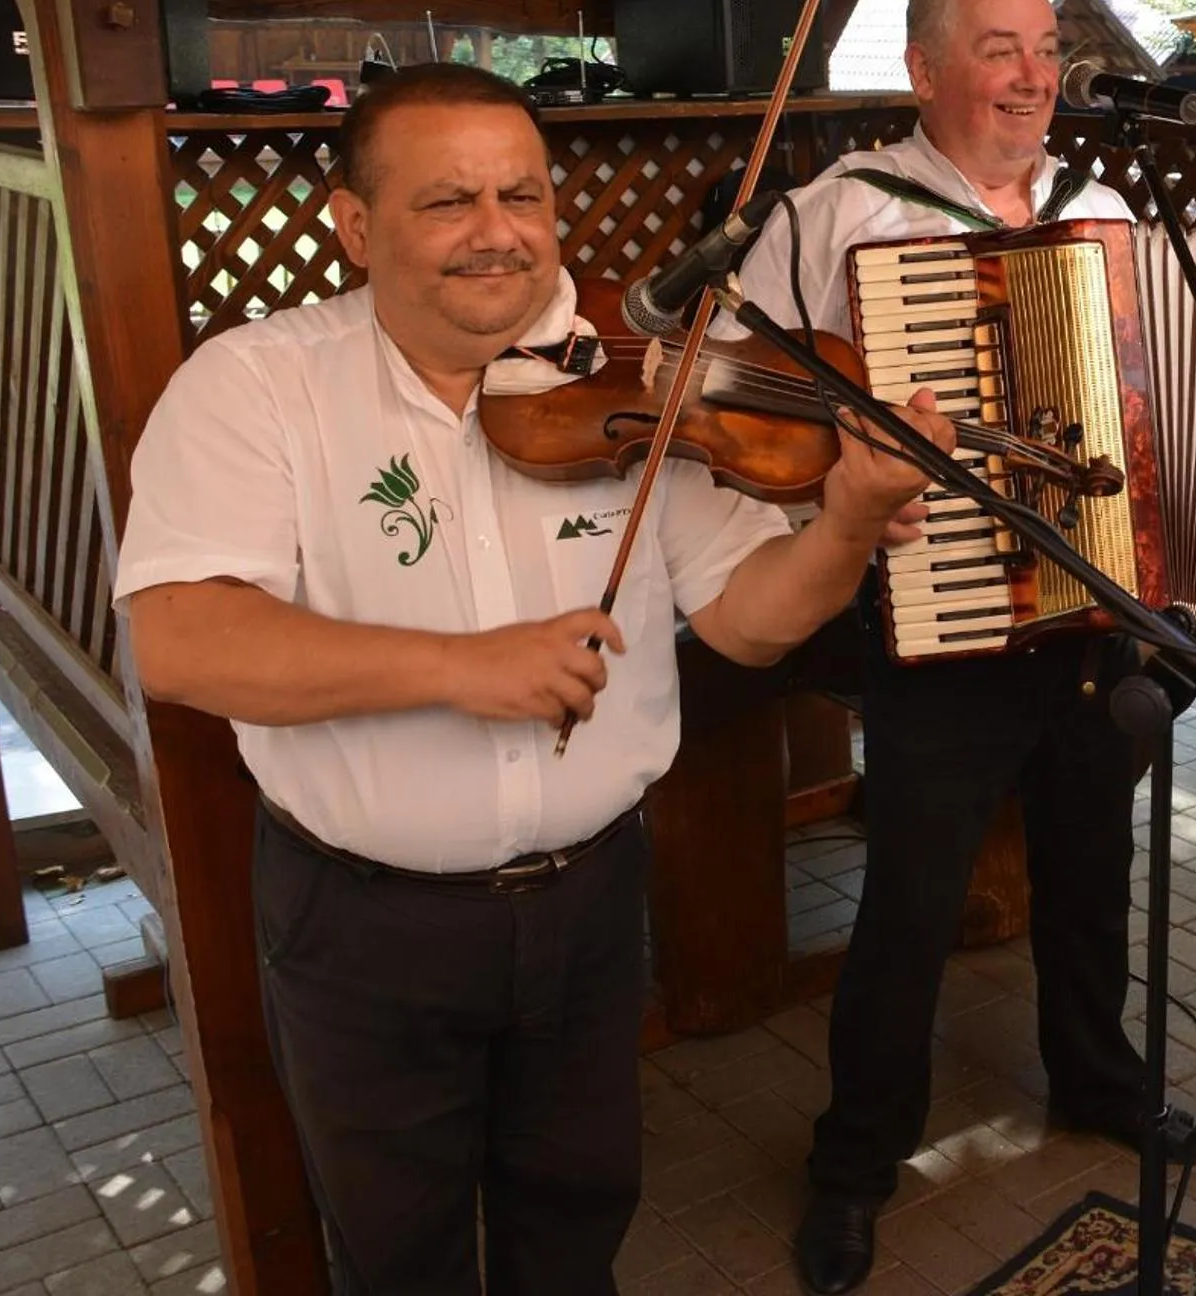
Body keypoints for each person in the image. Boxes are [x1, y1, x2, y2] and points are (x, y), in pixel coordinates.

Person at [114, 64, 952, 1294]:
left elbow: (745, 620)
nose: (499, 231)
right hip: (365, 921)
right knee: (400, 1253)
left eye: (524, 194)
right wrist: (458, 667)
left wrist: (842, 526)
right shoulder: (256, 386)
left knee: (577, 1222)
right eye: (448, 200)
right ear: (355, 225)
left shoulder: (645, 373)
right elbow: (181, 639)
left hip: (589, 899)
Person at [728, 0, 1196, 1295]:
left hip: (1101, 605)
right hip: (939, 610)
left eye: (1041, 50)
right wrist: (849, 445)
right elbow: (739, 393)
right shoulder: (839, 213)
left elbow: (1168, 404)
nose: (1034, 78)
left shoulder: (1102, 202)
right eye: (999, 50)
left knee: (1096, 865)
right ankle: (855, 1165)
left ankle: (1100, 1082)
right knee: (907, 903)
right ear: (924, 72)